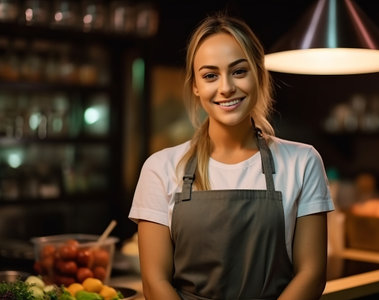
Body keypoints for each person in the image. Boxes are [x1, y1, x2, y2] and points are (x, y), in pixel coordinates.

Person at [129, 13, 334, 300]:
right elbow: (155, 282)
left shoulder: (303, 162)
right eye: (210, 75)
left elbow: (311, 275)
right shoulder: (160, 168)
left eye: (239, 71)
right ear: (195, 87)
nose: (226, 87)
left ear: (259, 75)